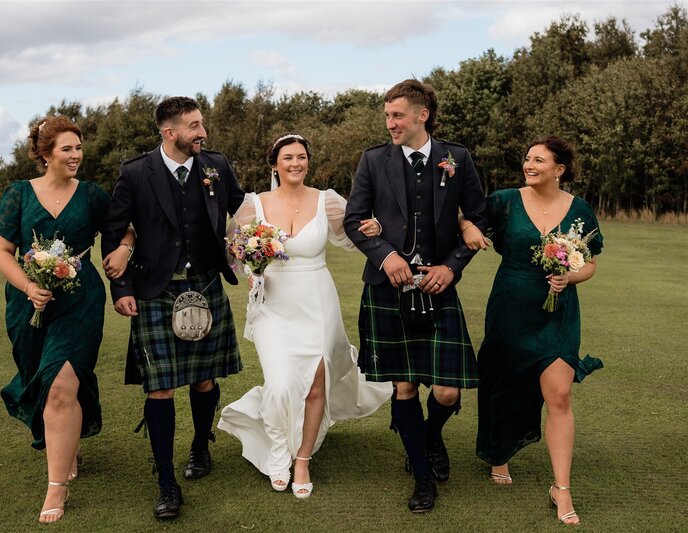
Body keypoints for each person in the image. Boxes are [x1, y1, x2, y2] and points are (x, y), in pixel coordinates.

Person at [217, 133, 393, 498]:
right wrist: (251, 261)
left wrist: (373, 227)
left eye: (301, 157)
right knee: (281, 383)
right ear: (275, 164)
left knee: (317, 383)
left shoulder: (327, 201)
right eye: (288, 158)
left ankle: (301, 459)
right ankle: (278, 450)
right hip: (273, 305)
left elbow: (355, 232)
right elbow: (231, 248)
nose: (295, 163)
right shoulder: (254, 205)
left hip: (317, 300)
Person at [343, 79, 487, 513]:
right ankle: (423, 477)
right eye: (387, 116)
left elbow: (478, 220)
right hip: (389, 287)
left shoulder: (456, 158)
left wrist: (452, 266)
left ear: (422, 115)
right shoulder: (373, 160)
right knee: (404, 386)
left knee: (446, 391)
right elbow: (354, 220)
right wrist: (385, 256)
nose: (390, 124)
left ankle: (430, 437)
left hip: (438, 285)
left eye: (397, 115)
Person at [101, 96, 246, 520]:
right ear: (171, 133)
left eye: (202, 124)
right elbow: (114, 233)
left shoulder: (215, 164)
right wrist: (121, 287)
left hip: (206, 282)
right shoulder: (135, 173)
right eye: (195, 126)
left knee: (204, 379)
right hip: (155, 291)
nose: (203, 133)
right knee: (159, 387)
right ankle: (166, 479)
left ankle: (200, 445)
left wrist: (261, 242)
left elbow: (244, 209)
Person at [0, 116, 131, 523]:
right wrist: (28, 287)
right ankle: (67, 444)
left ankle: (56, 488)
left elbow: (124, 231)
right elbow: (2, 251)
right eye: (67, 149)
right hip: (29, 304)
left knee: (60, 382)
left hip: (80, 300)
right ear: (45, 153)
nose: (76, 156)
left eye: (79, 148)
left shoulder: (91, 195)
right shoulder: (18, 194)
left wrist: (123, 249)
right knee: (41, 379)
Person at [460, 136, 603, 526]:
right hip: (510, 306)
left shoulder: (580, 210)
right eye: (527, 158)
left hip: (558, 314)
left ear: (559, 169)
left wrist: (569, 277)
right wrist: (468, 226)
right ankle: (499, 451)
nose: (530, 164)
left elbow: (590, 264)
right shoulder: (504, 200)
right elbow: (468, 216)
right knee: (504, 383)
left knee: (558, 393)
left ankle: (562, 487)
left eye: (539, 160)